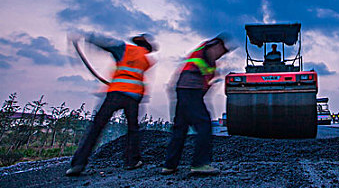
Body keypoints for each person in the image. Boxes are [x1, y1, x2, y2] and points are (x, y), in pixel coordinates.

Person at [66, 32, 156, 176]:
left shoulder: (126, 49)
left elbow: (106, 43)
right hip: (134, 96)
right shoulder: (146, 60)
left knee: (97, 126)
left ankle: (78, 163)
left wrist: (87, 37)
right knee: (133, 129)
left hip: (116, 93)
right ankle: (132, 161)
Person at [161, 34, 231, 175]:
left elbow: (207, 83)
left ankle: (170, 165)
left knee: (180, 129)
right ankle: (200, 164)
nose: (220, 54)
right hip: (191, 91)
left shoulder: (205, 58)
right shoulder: (209, 50)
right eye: (221, 51)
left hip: (183, 90)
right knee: (204, 125)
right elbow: (206, 75)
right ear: (217, 46)